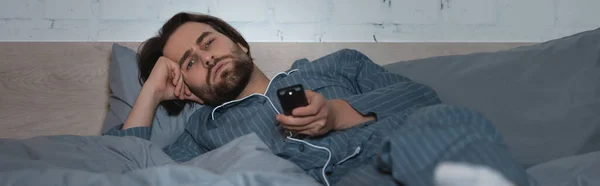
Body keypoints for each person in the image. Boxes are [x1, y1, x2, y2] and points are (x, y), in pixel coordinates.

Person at [104, 12, 530, 186]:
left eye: (208, 42)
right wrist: (153, 89)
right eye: (189, 63)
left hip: (392, 153)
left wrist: (339, 114)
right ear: (190, 90)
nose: (206, 58)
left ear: (239, 43)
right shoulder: (203, 131)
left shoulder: (337, 65)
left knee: (445, 124)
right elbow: (125, 166)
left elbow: (422, 96)